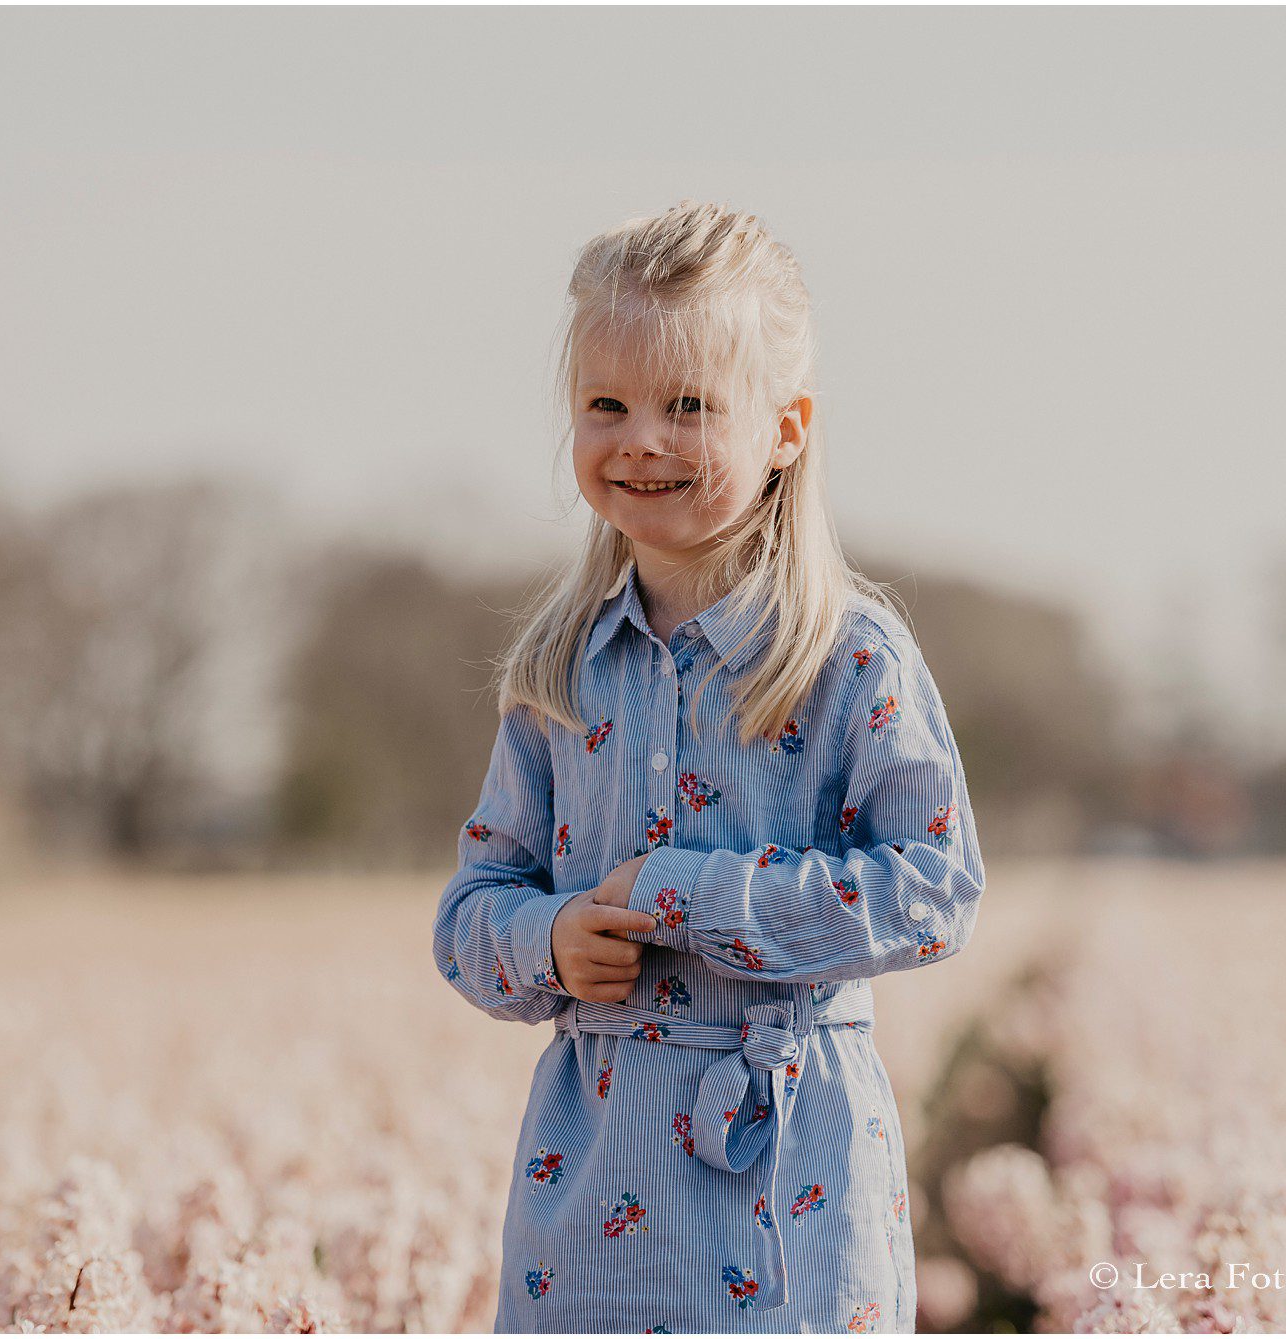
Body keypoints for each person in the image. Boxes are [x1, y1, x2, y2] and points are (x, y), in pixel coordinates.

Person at [431, 199, 986, 1334]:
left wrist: (681, 892)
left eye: (686, 405)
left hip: (788, 1167)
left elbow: (933, 890)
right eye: (605, 404)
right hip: (593, 1174)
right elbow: (469, 912)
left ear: (785, 428)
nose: (640, 437)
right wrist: (549, 938)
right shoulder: (554, 667)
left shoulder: (849, 657)